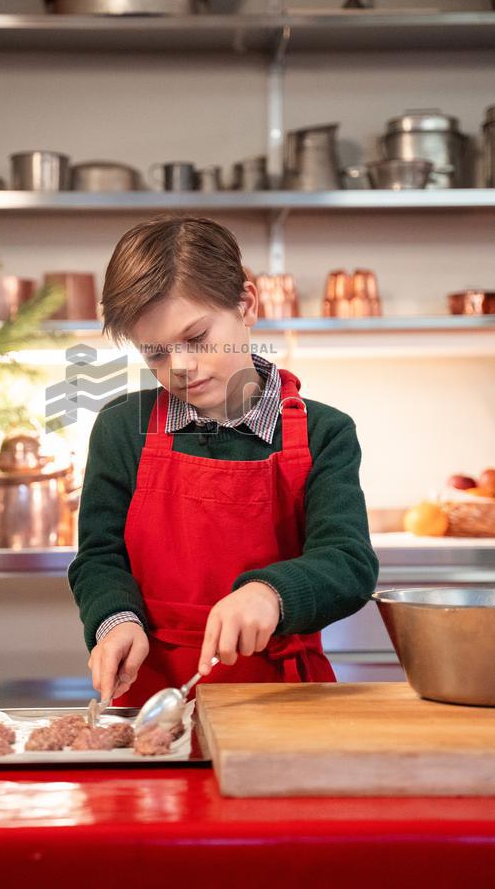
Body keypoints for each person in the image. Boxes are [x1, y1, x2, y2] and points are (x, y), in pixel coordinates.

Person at [68, 214, 378, 705]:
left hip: (282, 701)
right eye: (156, 354)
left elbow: (349, 562)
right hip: (154, 696)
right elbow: (100, 558)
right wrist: (115, 621)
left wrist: (270, 594)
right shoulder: (121, 428)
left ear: (246, 304)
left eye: (196, 338)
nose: (181, 367)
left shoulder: (325, 432)